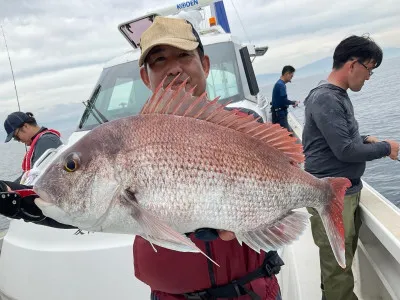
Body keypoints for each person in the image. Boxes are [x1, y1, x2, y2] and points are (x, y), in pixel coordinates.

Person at [0, 17, 283, 300]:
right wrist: (27, 204)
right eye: (159, 60)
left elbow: (284, 195)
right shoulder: (127, 138)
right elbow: (95, 208)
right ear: (146, 77)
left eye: (184, 55)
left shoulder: (247, 127)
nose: (174, 68)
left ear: (205, 65)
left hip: (251, 292)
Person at [302, 35, 400, 300]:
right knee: (338, 269)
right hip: (331, 196)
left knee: (339, 263)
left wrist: (364, 138)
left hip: (346, 192)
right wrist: (386, 147)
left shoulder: (335, 95)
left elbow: (339, 139)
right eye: (369, 69)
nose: (369, 77)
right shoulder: (326, 98)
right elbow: (344, 151)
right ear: (353, 64)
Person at [3, 111, 62, 183]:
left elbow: (38, 178)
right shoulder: (40, 142)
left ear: (25, 126)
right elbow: (26, 177)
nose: (18, 140)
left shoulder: (46, 141)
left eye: (16, 136)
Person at [271, 66, 299, 130]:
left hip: (278, 113)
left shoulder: (279, 84)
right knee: (286, 135)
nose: (291, 79)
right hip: (280, 115)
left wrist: (291, 102)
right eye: (291, 76)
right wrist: (293, 102)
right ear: (287, 74)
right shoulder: (281, 85)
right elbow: (284, 101)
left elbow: (280, 100)